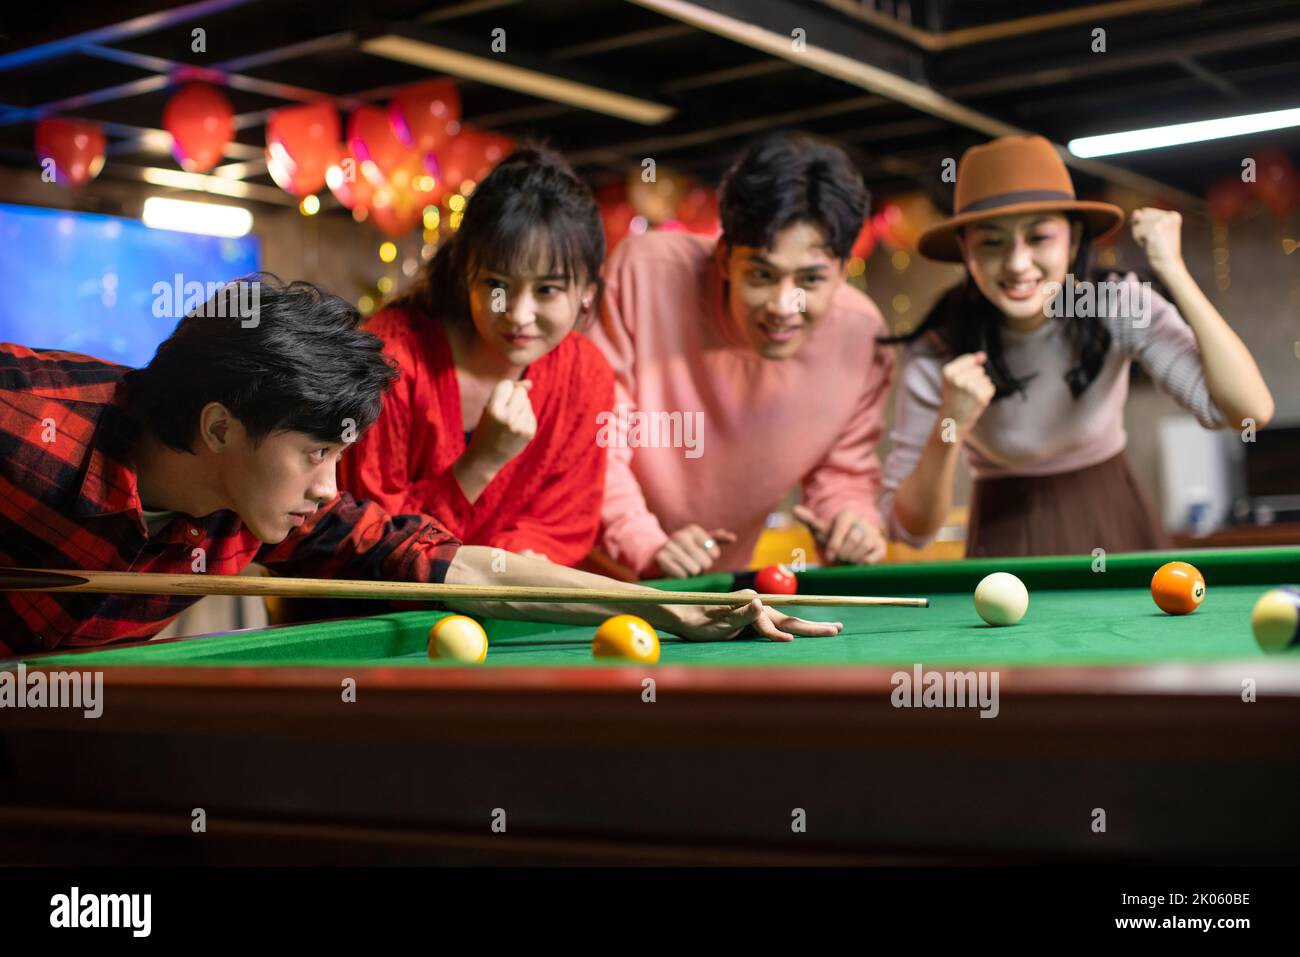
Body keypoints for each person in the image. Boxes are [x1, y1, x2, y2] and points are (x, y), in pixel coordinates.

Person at [0, 277, 840, 656]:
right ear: (219, 427)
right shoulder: (28, 428)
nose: (333, 486)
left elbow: (466, 568)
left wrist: (664, 610)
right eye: (317, 455)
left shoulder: (270, 503)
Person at [880, 135, 1275, 556]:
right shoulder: (938, 343)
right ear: (965, 251)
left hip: (1114, 518)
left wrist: (1171, 269)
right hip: (1002, 538)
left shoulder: (1116, 303)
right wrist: (950, 423)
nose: (1017, 264)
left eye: (1039, 238)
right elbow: (912, 531)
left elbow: (1246, 412)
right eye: (991, 242)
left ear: (1072, 240)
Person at [586, 131, 895, 579]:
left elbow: (842, 475)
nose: (783, 306)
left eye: (809, 281)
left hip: (719, 593)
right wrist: (644, 542)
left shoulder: (862, 336)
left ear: (844, 271)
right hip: (587, 584)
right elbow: (596, 437)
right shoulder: (641, 273)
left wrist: (853, 524)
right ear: (725, 255)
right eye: (762, 275)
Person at [338, 147, 613, 566]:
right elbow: (368, 540)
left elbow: (564, 523)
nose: (519, 316)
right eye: (497, 285)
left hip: (506, 612)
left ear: (587, 292)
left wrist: (513, 564)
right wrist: (481, 461)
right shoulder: (390, 360)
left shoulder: (585, 373)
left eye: (548, 290)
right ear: (465, 271)